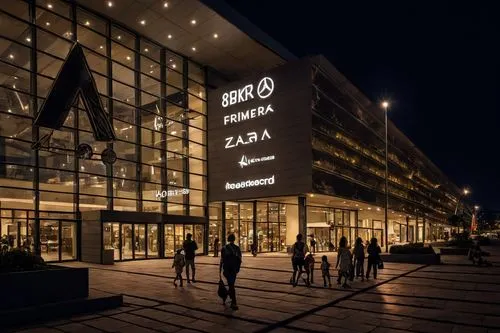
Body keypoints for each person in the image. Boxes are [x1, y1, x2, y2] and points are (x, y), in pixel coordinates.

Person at [220, 233, 242, 310]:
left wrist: (220, 270)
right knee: (231, 285)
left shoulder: (224, 248)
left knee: (231, 284)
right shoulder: (237, 248)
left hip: (226, 269)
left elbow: (222, 260)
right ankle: (233, 302)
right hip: (233, 269)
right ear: (234, 239)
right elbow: (239, 259)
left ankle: (226, 295)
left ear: (228, 239)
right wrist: (237, 269)